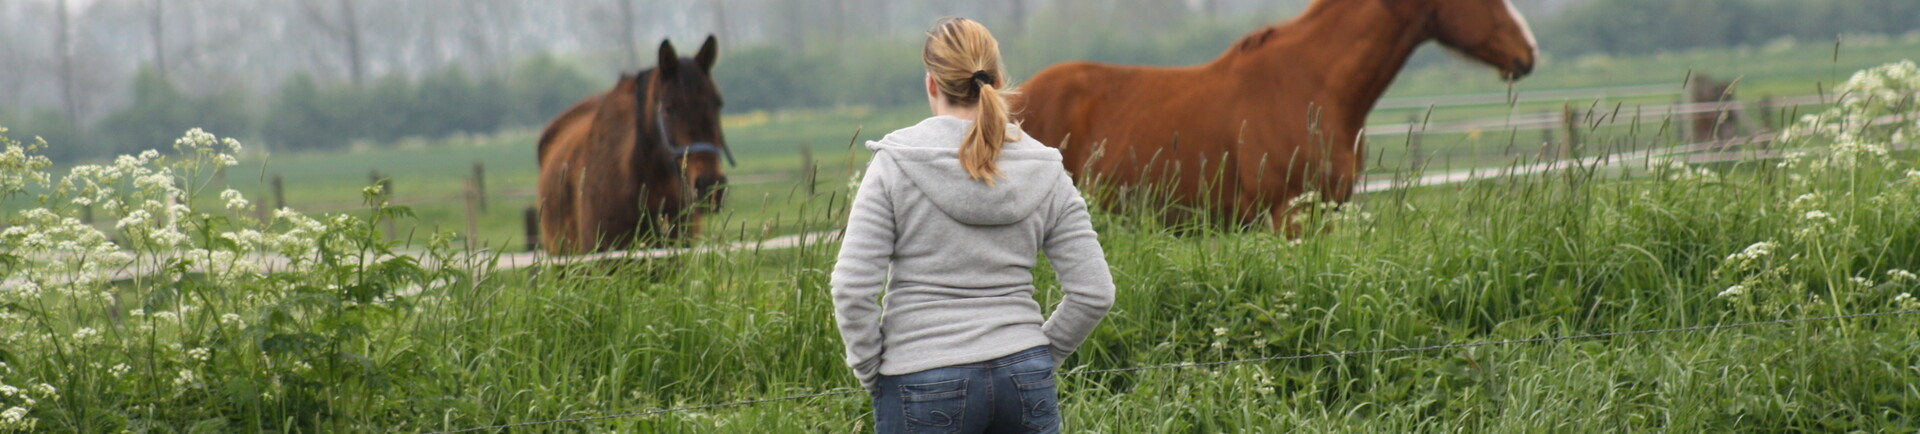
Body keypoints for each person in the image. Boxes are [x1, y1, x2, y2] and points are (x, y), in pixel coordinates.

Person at [830, 17, 1116, 434]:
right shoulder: (1046, 166)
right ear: (996, 81)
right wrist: (1038, 357)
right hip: (1025, 375)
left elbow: (851, 289)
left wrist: (873, 372)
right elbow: (1095, 292)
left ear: (931, 84)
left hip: (920, 375)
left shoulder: (895, 163)